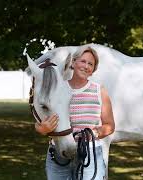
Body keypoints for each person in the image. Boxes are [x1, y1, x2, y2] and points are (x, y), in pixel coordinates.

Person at [35, 46, 115, 180]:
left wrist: (93, 133)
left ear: (93, 70)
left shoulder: (99, 90)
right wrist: (42, 129)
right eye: (83, 61)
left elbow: (110, 126)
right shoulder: (58, 88)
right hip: (59, 152)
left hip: (90, 152)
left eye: (91, 64)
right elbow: (39, 122)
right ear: (73, 63)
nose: (86, 66)